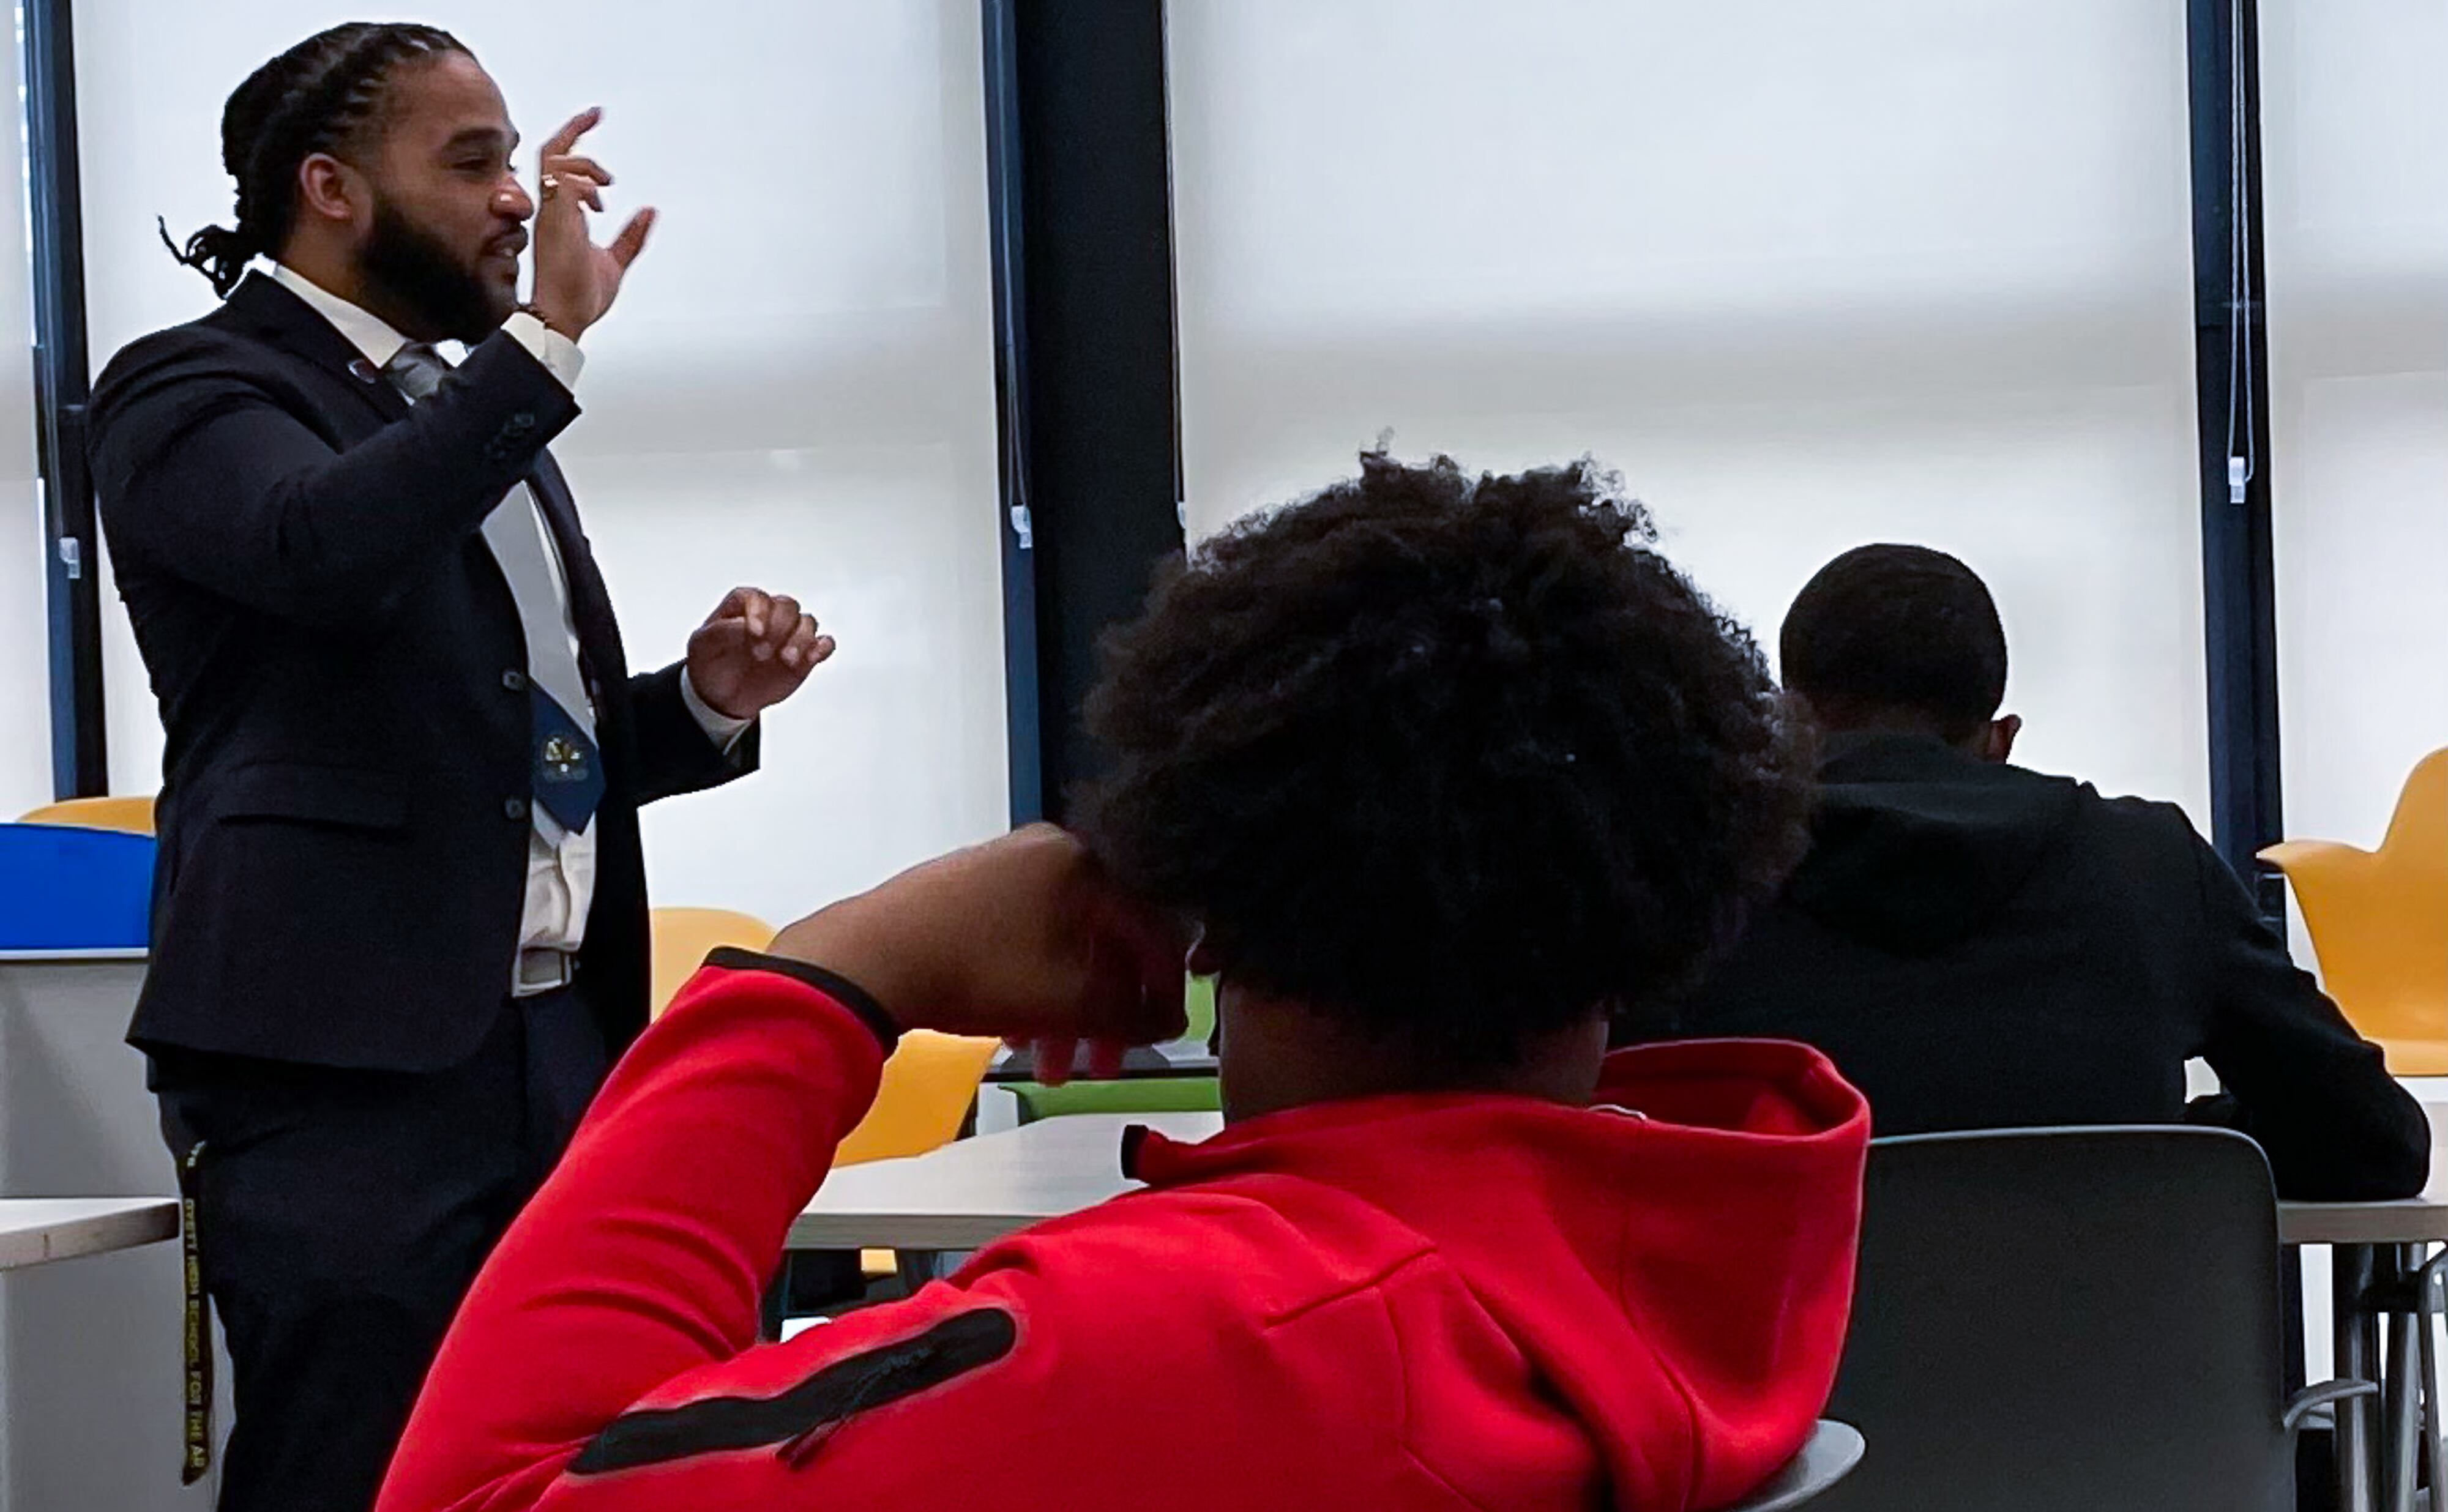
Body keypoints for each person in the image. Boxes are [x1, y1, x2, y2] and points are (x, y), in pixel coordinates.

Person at [375, 456, 1869, 1512]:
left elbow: (485, 1490)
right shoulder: (1674, 1251)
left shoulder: (1214, 1339)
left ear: (1205, 884)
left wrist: (841, 967)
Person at [86, 21, 835, 1512]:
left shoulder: (459, 411)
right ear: (331, 189)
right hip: (342, 1061)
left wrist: (696, 705)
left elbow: (514, 751)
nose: (517, 195)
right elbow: (319, 549)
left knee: (564, 1456)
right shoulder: (192, 388)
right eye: (473, 158)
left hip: (553, 1036)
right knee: (353, 1462)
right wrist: (542, 348)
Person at [1643, 542, 2427, 1199]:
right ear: (2000, 737)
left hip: (1780, 1385)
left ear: (1787, 723)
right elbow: (2373, 1143)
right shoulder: (2147, 864)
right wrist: (2185, 1140)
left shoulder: (1692, 877)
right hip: (2123, 1384)